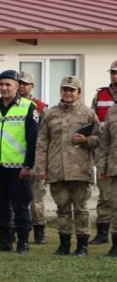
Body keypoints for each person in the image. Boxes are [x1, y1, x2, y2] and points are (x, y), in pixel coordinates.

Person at [0, 69, 40, 254]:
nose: (4, 88)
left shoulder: (29, 107)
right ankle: (4, 241)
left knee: (21, 206)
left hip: (18, 167)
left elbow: (33, 139)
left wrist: (28, 164)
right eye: (1, 85)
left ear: (17, 86)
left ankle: (23, 242)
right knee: (0, 206)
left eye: (7, 84)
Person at [36, 76, 100, 256]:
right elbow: (42, 143)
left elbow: (101, 139)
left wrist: (87, 139)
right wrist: (40, 167)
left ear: (78, 93)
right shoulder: (50, 114)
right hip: (57, 169)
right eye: (65, 89)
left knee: (81, 209)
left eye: (72, 90)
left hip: (80, 170)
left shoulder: (88, 113)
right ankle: (64, 244)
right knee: (62, 209)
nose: (68, 93)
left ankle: (82, 245)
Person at [18, 72, 50, 244]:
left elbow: (45, 135)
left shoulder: (40, 107)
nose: (22, 86)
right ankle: (14, 231)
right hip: (15, 157)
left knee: (36, 197)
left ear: (32, 86)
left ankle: (39, 231)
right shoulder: (9, 105)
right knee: (14, 198)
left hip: (36, 158)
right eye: (19, 83)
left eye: (25, 84)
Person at [90, 60, 117, 245]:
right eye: (113, 72)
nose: (115, 76)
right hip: (105, 152)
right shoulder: (100, 96)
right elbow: (92, 122)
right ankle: (102, 233)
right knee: (105, 195)